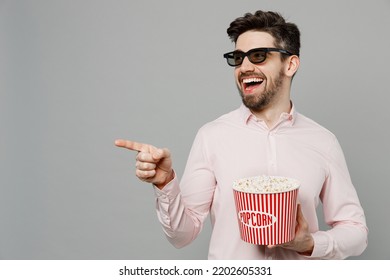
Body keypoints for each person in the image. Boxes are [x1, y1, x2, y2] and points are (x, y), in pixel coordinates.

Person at [115, 10, 368, 259]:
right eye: (238, 58)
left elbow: (356, 232)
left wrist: (310, 243)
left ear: (290, 64)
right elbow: (183, 235)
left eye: (258, 56)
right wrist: (165, 182)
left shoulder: (323, 141)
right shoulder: (212, 136)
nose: (244, 67)